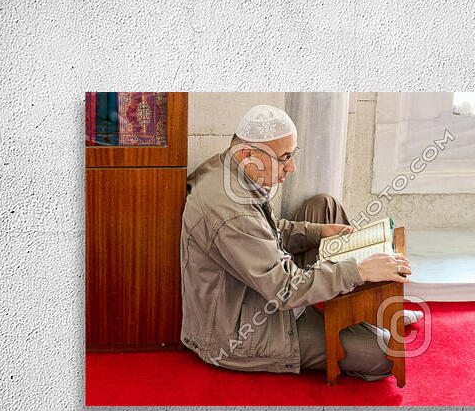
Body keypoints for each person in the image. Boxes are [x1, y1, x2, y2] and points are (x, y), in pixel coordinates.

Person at [179, 104, 419, 382]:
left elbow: (262, 233)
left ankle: (362, 309)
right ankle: (362, 315)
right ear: (248, 155)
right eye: (284, 158)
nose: (291, 167)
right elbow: (284, 290)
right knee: (386, 351)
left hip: (260, 284)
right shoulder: (231, 212)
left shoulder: (229, 166)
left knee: (324, 206)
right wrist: (360, 271)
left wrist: (318, 232)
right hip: (246, 327)